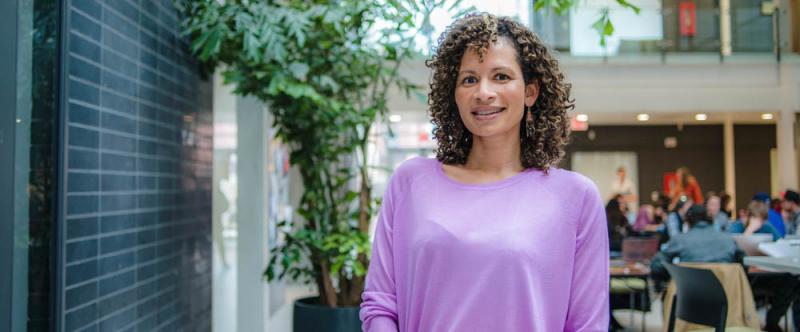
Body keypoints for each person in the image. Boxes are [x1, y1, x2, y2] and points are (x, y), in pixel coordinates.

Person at [359, 13, 609, 331]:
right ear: (454, 94)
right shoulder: (411, 182)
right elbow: (380, 302)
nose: (483, 92)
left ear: (530, 92)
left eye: (501, 76)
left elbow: (588, 324)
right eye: (469, 79)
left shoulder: (576, 197)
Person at [650, 205, 743, 286]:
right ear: (711, 220)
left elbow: (656, 264)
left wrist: (675, 275)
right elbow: (743, 262)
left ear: (687, 221)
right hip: (728, 298)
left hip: (688, 299)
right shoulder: (728, 239)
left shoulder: (680, 240)